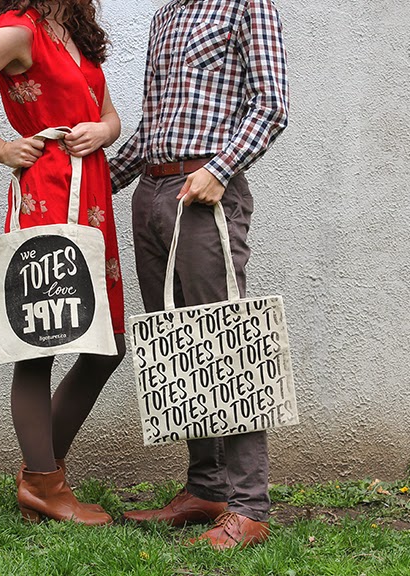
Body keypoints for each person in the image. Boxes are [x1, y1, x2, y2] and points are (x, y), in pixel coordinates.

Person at [0, 0, 125, 526]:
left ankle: (39, 475)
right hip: (47, 196)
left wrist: (103, 132)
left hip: (91, 198)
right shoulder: (19, 30)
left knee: (108, 346)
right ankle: (44, 482)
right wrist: (1, 148)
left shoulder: (76, 30)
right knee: (42, 342)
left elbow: (109, 114)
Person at [109, 0, 289, 548]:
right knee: (178, 345)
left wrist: (220, 169)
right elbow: (150, 128)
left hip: (206, 195)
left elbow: (271, 107)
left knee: (227, 344)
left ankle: (249, 506)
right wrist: (93, 180)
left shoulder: (247, 5)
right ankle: (206, 488)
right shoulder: (164, 17)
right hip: (152, 193)